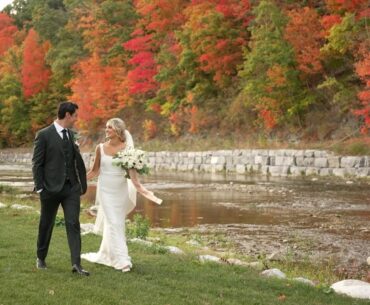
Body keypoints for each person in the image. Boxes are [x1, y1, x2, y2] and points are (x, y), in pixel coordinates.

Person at [82, 118, 161, 272]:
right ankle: (123, 260)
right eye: (106, 127)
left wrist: (143, 190)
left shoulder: (128, 150)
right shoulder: (100, 148)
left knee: (117, 222)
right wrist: (78, 179)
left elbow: (133, 177)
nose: (106, 130)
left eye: (109, 128)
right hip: (105, 190)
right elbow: (95, 171)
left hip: (120, 191)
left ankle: (109, 254)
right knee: (112, 222)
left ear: (118, 130)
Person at [32, 101, 89, 276]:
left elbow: (75, 160)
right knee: (46, 224)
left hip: (71, 188)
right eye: (75, 116)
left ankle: (76, 264)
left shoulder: (72, 135)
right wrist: (41, 188)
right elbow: (37, 164)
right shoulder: (44, 135)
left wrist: (80, 183)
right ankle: (41, 257)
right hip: (50, 189)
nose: (76, 119)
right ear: (67, 115)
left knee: (73, 223)